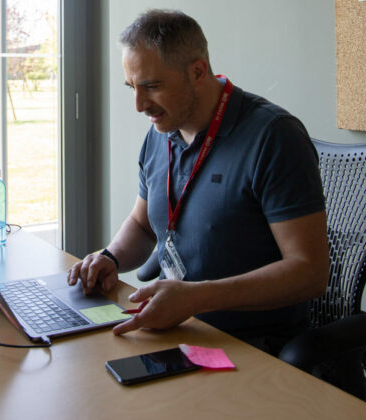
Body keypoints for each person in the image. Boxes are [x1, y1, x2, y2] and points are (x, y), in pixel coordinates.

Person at [67, 9, 329, 355]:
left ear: (197, 72)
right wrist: (111, 257)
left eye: (152, 86)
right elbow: (142, 225)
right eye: (132, 87)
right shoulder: (160, 132)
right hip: (173, 331)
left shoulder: (274, 137)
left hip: (250, 347)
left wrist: (197, 298)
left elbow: (310, 273)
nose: (139, 105)